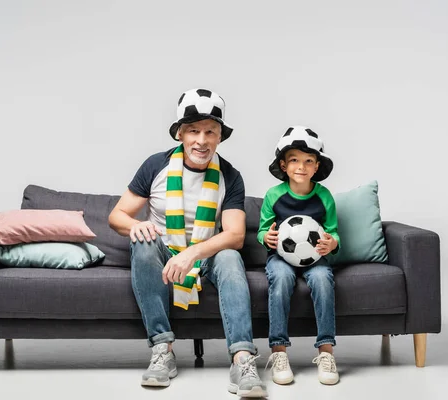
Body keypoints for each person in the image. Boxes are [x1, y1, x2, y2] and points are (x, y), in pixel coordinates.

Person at [109, 88, 267, 397]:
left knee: (231, 257)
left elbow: (234, 235)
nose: (202, 140)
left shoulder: (230, 176)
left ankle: (243, 359)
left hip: (206, 252)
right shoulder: (156, 165)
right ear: (180, 133)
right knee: (142, 242)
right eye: (193, 130)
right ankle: (162, 350)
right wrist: (136, 225)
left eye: (211, 132)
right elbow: (117, 216)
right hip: (163, 248)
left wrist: (192, 254)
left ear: (220, 137)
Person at [257, 126, 341, 385]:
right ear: (283, 165)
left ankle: (326, 352)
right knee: (280, 279)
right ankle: (279, 352)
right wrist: (266, 238)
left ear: (317, 167)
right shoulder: (274, 195)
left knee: (323, 280)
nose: (301, 167)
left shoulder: (324, 197)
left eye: (308, 161)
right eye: (294, 160)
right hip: (281, 258)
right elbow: (262, 230)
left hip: (315, 259)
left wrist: (331, 244)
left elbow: (334, 233)